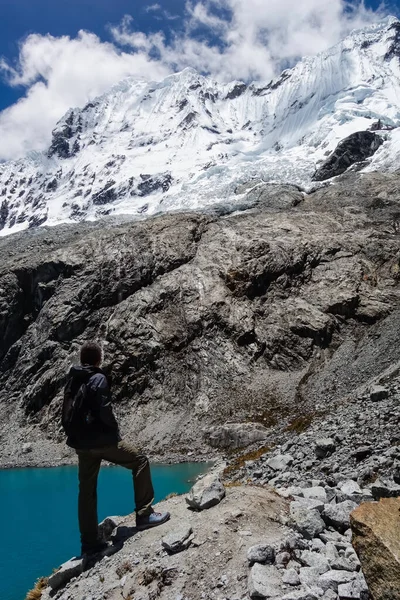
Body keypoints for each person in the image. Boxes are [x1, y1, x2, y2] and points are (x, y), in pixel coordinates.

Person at [64, 341, 170, 556]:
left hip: (81, 444)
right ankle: (144, 515)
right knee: (139, 460)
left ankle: (90, 544)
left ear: (82, 358)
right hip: (103, 440)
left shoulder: (72, 379)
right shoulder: (98, 377)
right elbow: (105, 411)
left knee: (86, 491)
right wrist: (114, 432)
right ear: (98, 359)